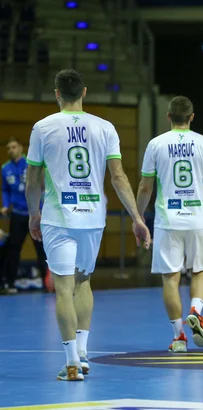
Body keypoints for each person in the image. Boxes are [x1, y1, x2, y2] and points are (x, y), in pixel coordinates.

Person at [25, 69, 151, 381]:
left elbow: (33, 180)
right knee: (84, 283)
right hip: (93, 218)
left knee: (64, 289)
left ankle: (71, 362)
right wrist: (137, 218)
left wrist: (32, 213)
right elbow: (118, 177)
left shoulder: (42, 128)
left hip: (59, 216)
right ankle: (82, 352)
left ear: (57, 93)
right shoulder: (104, 127)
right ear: (84, 93)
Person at [136, 96, 203, 353]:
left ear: (168, 116)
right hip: (197, 219)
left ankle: (179, 337)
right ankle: (196, 310)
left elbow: (145, 186)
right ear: (192, 117)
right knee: (200, 270)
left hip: (167, 220)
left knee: (170, 278)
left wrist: (138, 218)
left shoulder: (156, 144)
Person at [1, 138, 48, 294]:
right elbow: (5, 189)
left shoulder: (32, 164)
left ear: (21, 148)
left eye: (14, 147)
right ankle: (10, 284)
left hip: (36, 214)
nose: (11, 150)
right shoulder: (5, 169)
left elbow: (42, 185)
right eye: (8, 148)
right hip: (18, 215)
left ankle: (48, 284)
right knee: (13, 249)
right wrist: (6, 205)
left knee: (42, 249)